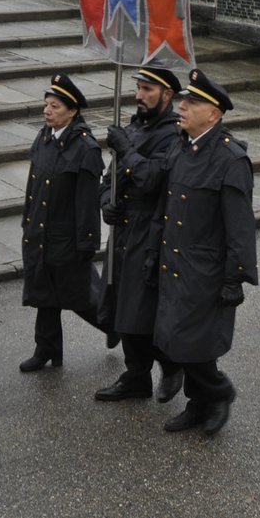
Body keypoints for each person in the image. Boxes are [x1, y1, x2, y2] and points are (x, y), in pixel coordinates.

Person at [153, 69, 257, 435]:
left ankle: (219, 392)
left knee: (190, 341)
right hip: (177, 260)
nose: (181, 106)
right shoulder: (183, 148)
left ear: (214, 114)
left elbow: (240, 225)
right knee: (180, 339)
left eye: (191, 102)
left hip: (206, 269)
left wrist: (236, 276)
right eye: (183, 100)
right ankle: (200, 404)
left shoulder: (229, 160)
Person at [93, 66, 185, 403]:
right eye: (139, 88)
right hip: (123, 231)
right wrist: (107, 203)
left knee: (140, 311)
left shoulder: (174, 134)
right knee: (121, 306)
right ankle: (136, 377)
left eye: (148, 89)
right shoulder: (133, 126)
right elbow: (108, 179)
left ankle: (171, 364)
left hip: (150, 231)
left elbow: (153, 179)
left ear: (167, 95)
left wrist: (126, 149)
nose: (139, 95)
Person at [19, 74, 105, 372]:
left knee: (80, 297)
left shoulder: (86, 149)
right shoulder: (44, 136)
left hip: (66, 238)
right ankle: (47, 350)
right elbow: (33, 184)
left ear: (72, 111)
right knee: (44, 294)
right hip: (41, 231)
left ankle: (114, 325)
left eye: (54, 106)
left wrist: (87, 243)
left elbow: (87, 202)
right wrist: (27, 220)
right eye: (46, 105)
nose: (47, 111)